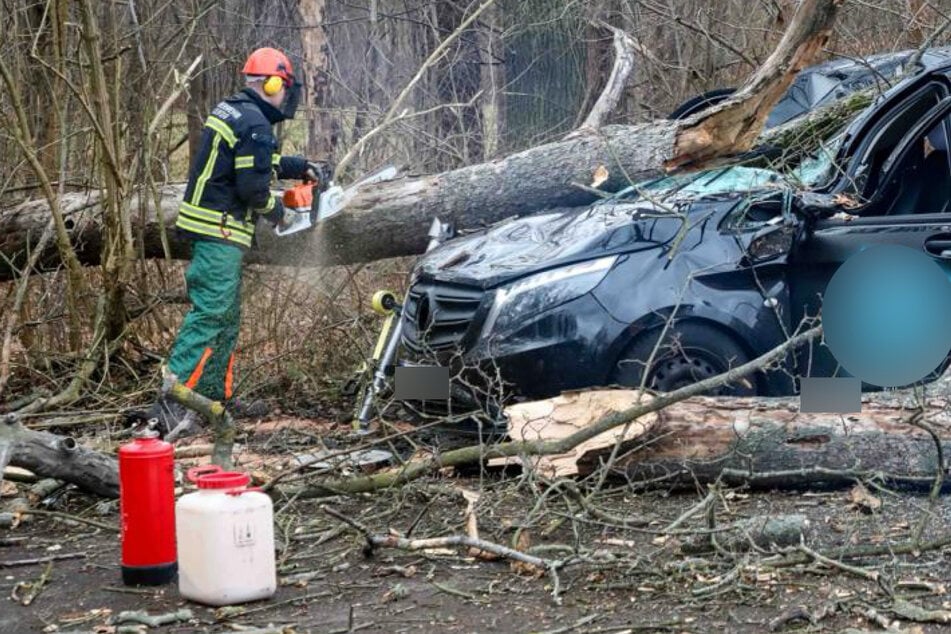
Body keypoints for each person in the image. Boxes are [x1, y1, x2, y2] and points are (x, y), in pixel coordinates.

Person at [149, 47, 331, 438]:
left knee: (226, 316)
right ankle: (169, 405)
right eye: (283, 86)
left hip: (211, 225)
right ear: (271, 83)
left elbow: (255, 160)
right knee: (210, 313)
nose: (286, 94)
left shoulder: (234, 111)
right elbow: (253, 187)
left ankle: (214, 399)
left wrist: (300, 166)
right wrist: (282, 213)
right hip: (220, 230)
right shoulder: (255, 125)